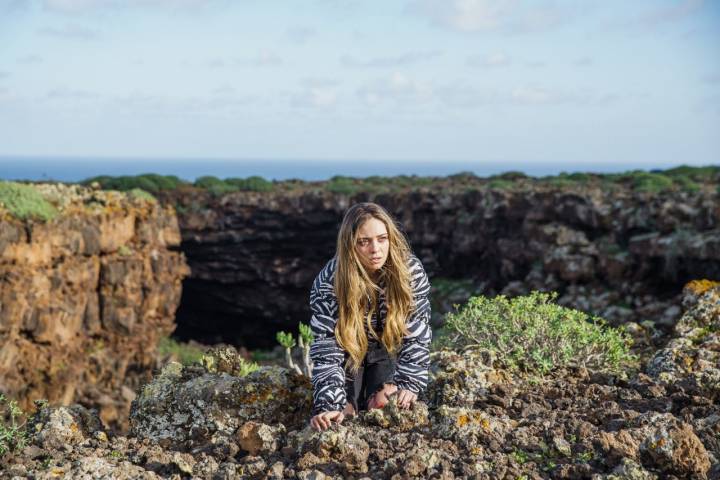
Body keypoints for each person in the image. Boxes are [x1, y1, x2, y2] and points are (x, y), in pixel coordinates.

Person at [308, 202, 432, 432]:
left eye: (382, 238)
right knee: (342, 417)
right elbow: (327, 350)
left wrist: (408, 383)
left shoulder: (410, 271)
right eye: (364, 242)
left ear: (391, 238)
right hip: (347, 353)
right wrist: (329, 403)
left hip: (385, 349)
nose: (375, 249)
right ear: (350, 245)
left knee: (386, 405)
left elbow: (417, 334)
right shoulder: (329, 282)